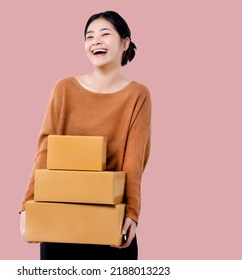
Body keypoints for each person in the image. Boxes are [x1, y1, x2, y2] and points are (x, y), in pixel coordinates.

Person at [19, 10, 151, 260]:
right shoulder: (64, 88)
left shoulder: (137, 95)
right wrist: (28, 204)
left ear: (125, 42)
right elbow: (45, 148)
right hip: (58, 216)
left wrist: (132, 212)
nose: (96, 41)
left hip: (109, 217)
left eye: (104, 34)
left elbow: (134, 160)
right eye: (89, 36)